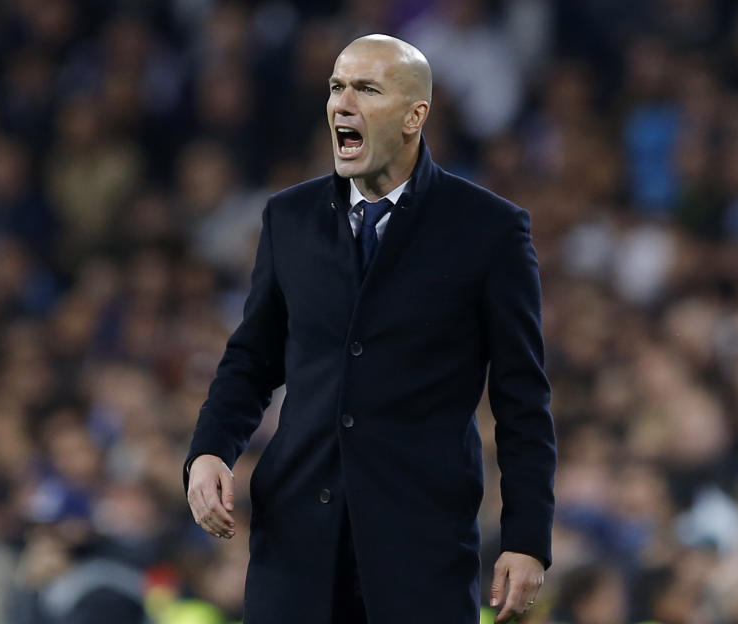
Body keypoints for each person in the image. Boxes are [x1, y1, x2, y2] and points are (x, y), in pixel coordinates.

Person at [184, 34, 556, 624]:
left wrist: (526, 536)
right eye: (336, 87)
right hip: (296, 543)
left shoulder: (489, 230)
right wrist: (209, 451)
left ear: (415, 116)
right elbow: (251, 361)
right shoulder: (289, 219)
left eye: (366, 88)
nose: (341, 103)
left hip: (420, 550)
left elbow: (522, 400)